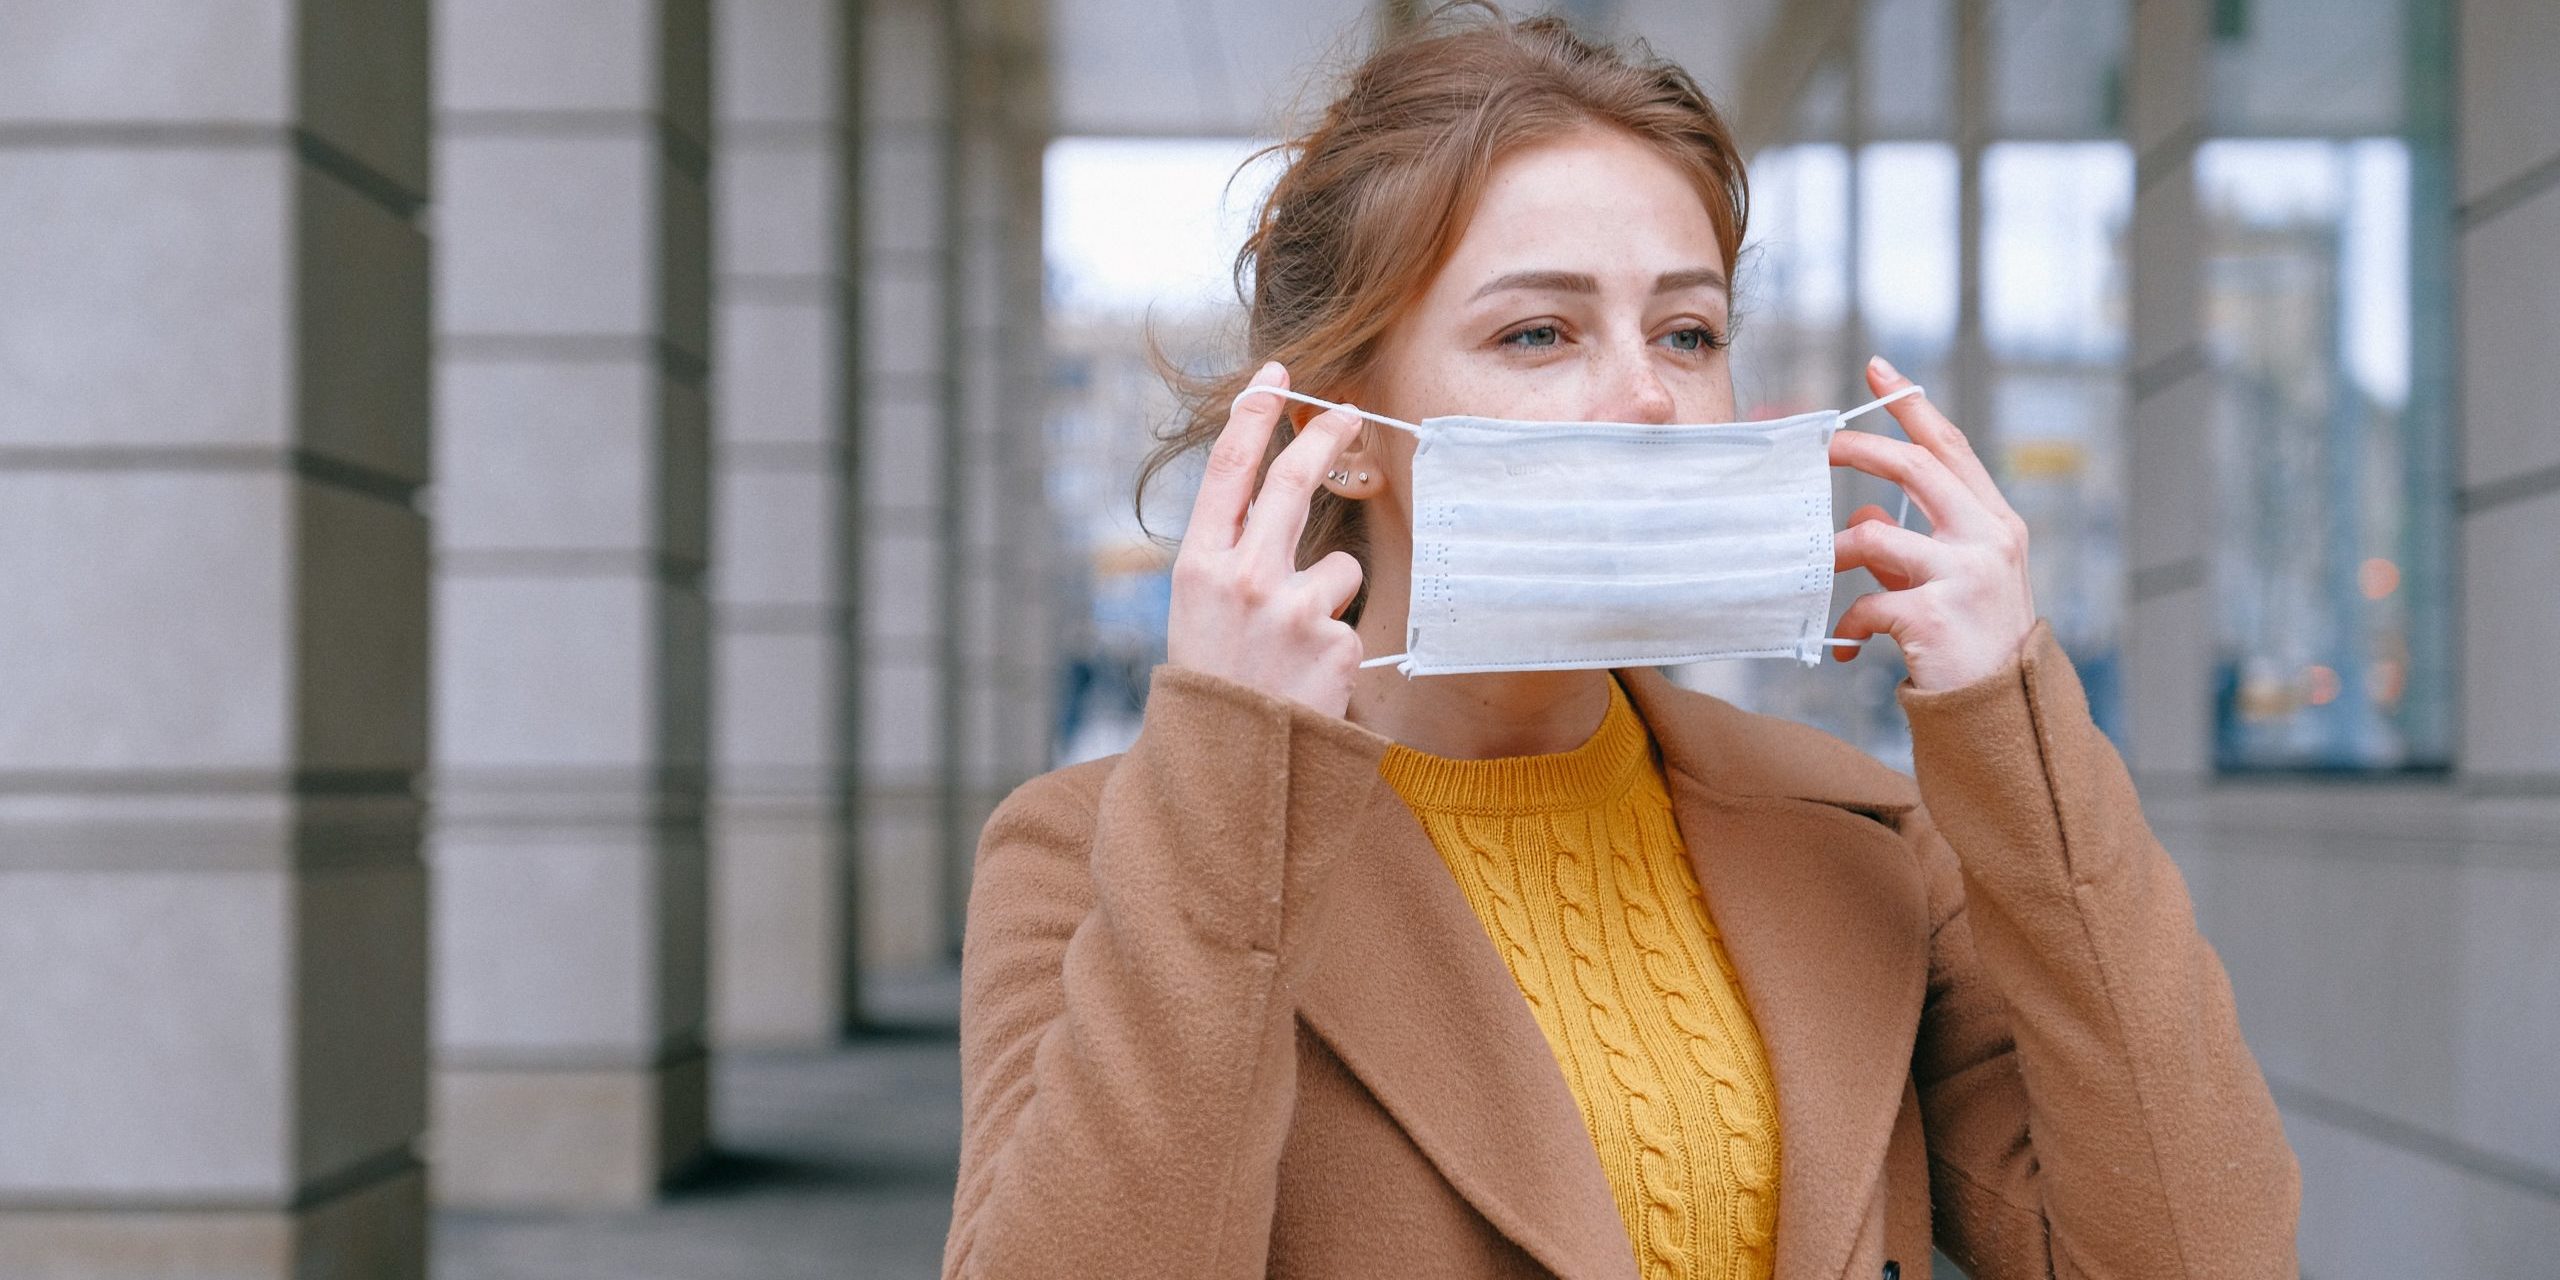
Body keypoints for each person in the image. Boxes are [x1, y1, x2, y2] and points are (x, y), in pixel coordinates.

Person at [942, 9, 2299, 1279]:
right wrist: (1234, 780)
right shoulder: (1093, 857)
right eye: (1539, 332)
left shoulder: (1861, 838)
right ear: (1338, 429)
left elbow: (2201, 1252)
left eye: (1688, 331)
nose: (1649, 397)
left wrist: (2018, 731)